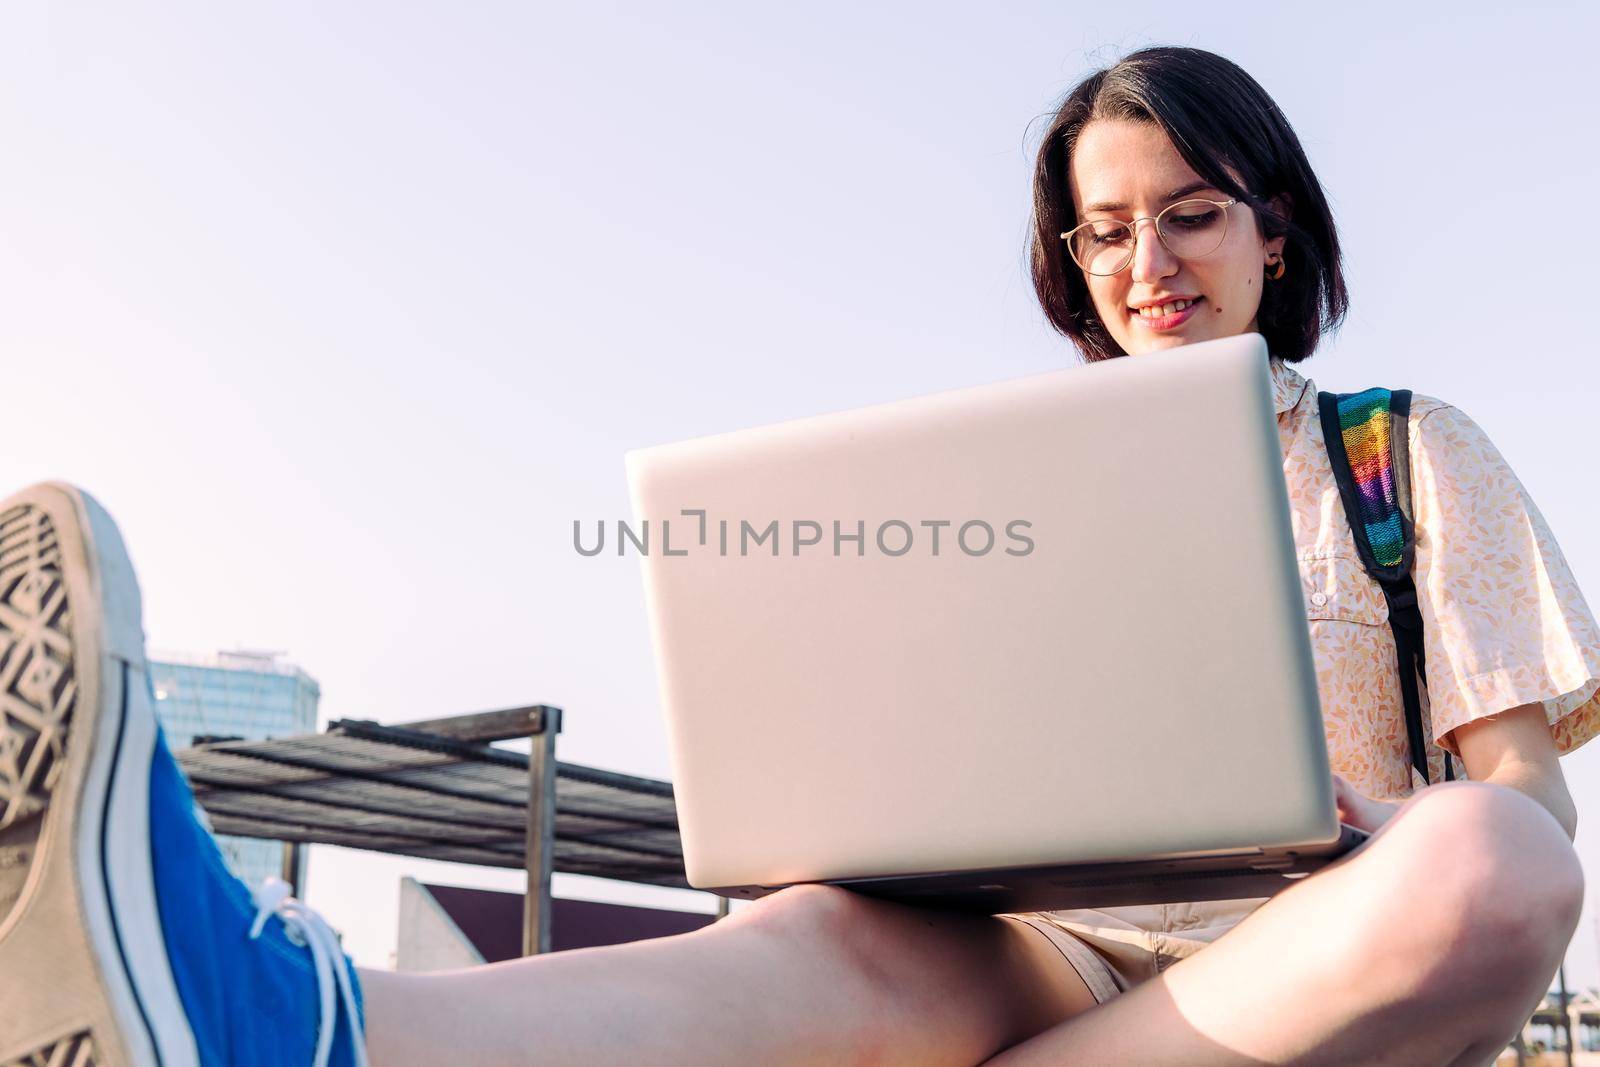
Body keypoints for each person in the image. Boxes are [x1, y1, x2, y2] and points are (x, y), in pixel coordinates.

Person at [0, 44, 1595, 1067]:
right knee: (808, 931)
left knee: (1495, 862)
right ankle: (281, 1019)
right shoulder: (1018, 484)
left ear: (1275, 230)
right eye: (1104, 232)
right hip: (1037, 959)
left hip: (1316, 946)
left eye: (1188, 215)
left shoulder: (1399, 451)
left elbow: (1523, 793)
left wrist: (1389, 819)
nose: (1146, 264)